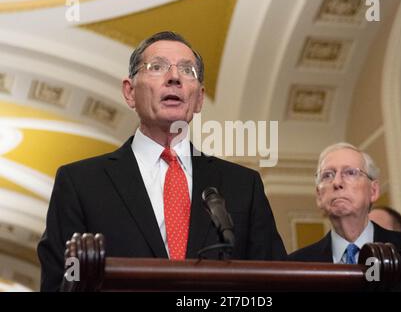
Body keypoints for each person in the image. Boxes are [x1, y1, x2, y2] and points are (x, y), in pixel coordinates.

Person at [37, 31, 286, 291]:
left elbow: (273, 282)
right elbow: (59, 282)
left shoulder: (244, 186)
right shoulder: (80, 183)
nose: (175, 77)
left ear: (199, 98)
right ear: (130, 92)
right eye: (157, 67)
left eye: (187, 70)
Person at [288, 142, 401, 291]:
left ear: (373, 191)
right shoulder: (295, 266)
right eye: (327, 175)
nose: (337, 182)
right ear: (319, 196)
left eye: (350, 173)